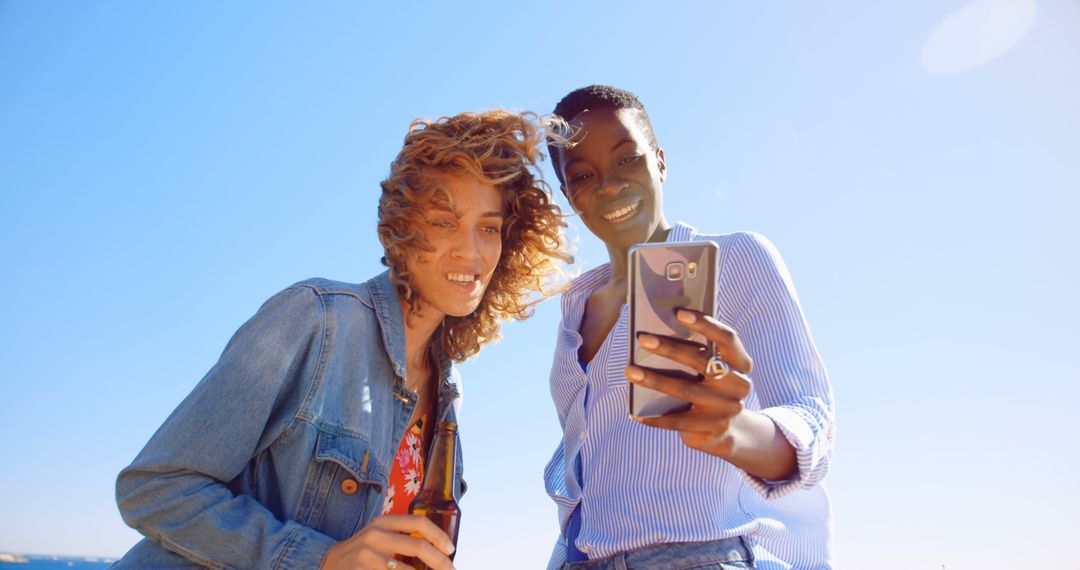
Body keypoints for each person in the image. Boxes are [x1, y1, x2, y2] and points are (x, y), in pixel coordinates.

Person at [111, 110, 570, 569]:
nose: (470, 251)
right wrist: (322, 559)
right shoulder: (315, 318)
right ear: (404, 228)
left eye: (488, 228)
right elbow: (156, 487)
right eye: (444, 221)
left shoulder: (449, 388)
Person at [543, 85, 835, 569]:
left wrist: (736, 432)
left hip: (711, 554)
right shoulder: (575, 308)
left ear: (659, 161)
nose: (609, 185)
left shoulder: (737, 258)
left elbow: (813, 418)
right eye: (583, 175)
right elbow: (583, 473)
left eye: (627, 159)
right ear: (569, 195)